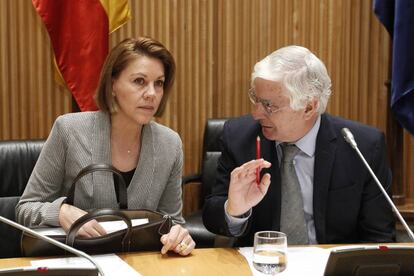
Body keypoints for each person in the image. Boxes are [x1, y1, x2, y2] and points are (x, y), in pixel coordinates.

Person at [16, 37, 195, 255]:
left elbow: (172, 221)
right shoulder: (69, 130)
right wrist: (60, 212)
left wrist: (179, 235)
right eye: (139, 81)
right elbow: (25, 209)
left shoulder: (170, 144)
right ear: (112, 85)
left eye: (159, 83)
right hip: (78, 261)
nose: (152, 93)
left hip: (140, 266)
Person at [202, 45, 395, 246]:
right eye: (256, 99)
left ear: (308, 107)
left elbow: (379, 236)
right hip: (263, 265)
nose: (256, 113)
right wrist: (234, 211)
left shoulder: (362, 147)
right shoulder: (239, 137)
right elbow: (212, 216)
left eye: (269, 105)